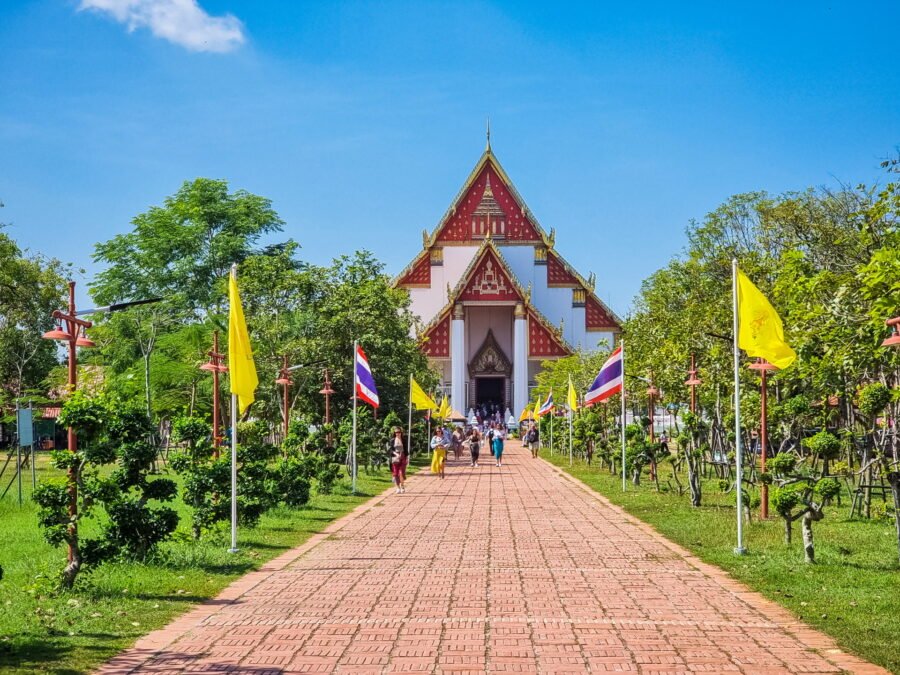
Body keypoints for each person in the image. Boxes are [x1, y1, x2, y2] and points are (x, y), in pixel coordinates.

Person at [388, 427, 408, 493]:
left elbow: (406, 450)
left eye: (399, 432)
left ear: (401, 433)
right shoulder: (392, 440)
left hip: (402, 457)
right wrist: (396, 454)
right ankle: (397, 487)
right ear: (394, 433)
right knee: (396, 473)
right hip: (395, 458)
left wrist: (407, 458)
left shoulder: (404, 440)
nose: (397, 434)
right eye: (396, 432)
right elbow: (390, 450)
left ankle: (402, 486)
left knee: (401, 473)